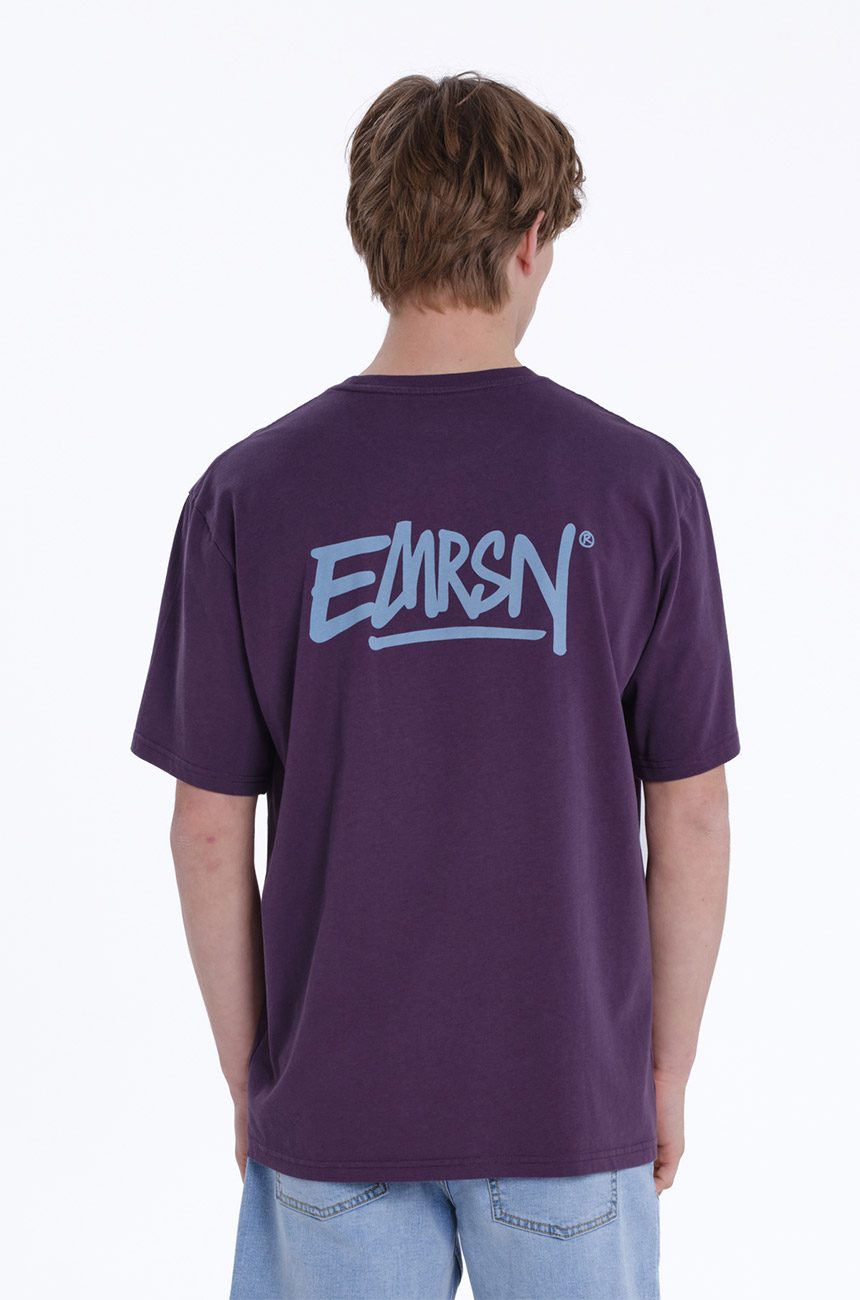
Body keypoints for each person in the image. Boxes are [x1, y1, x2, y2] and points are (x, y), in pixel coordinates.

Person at [130, 70, 740, 1300]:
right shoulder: (640, 488)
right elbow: (689, 815)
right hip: (567, 1104)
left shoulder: (246, 496)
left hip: (334, 1105)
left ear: (371, 235)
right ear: (530, 241)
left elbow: (206, 829)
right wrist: (661, 1071)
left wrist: (253, 1077)